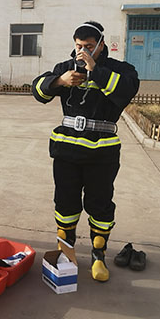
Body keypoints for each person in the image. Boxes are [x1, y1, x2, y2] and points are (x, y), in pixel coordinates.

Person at [32, 21, 139, 282]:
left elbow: (127, 90)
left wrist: (95, 71)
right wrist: (60, 81)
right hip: (67, 150)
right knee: (65, 202)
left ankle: (98, 255)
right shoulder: (65, 68)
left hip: (102, 153)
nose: (83, 51)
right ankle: (66, 253)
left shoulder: (119, 69)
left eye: (89, 47)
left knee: (100, 204)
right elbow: (38, 91)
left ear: (101, 45)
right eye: (79, 46)